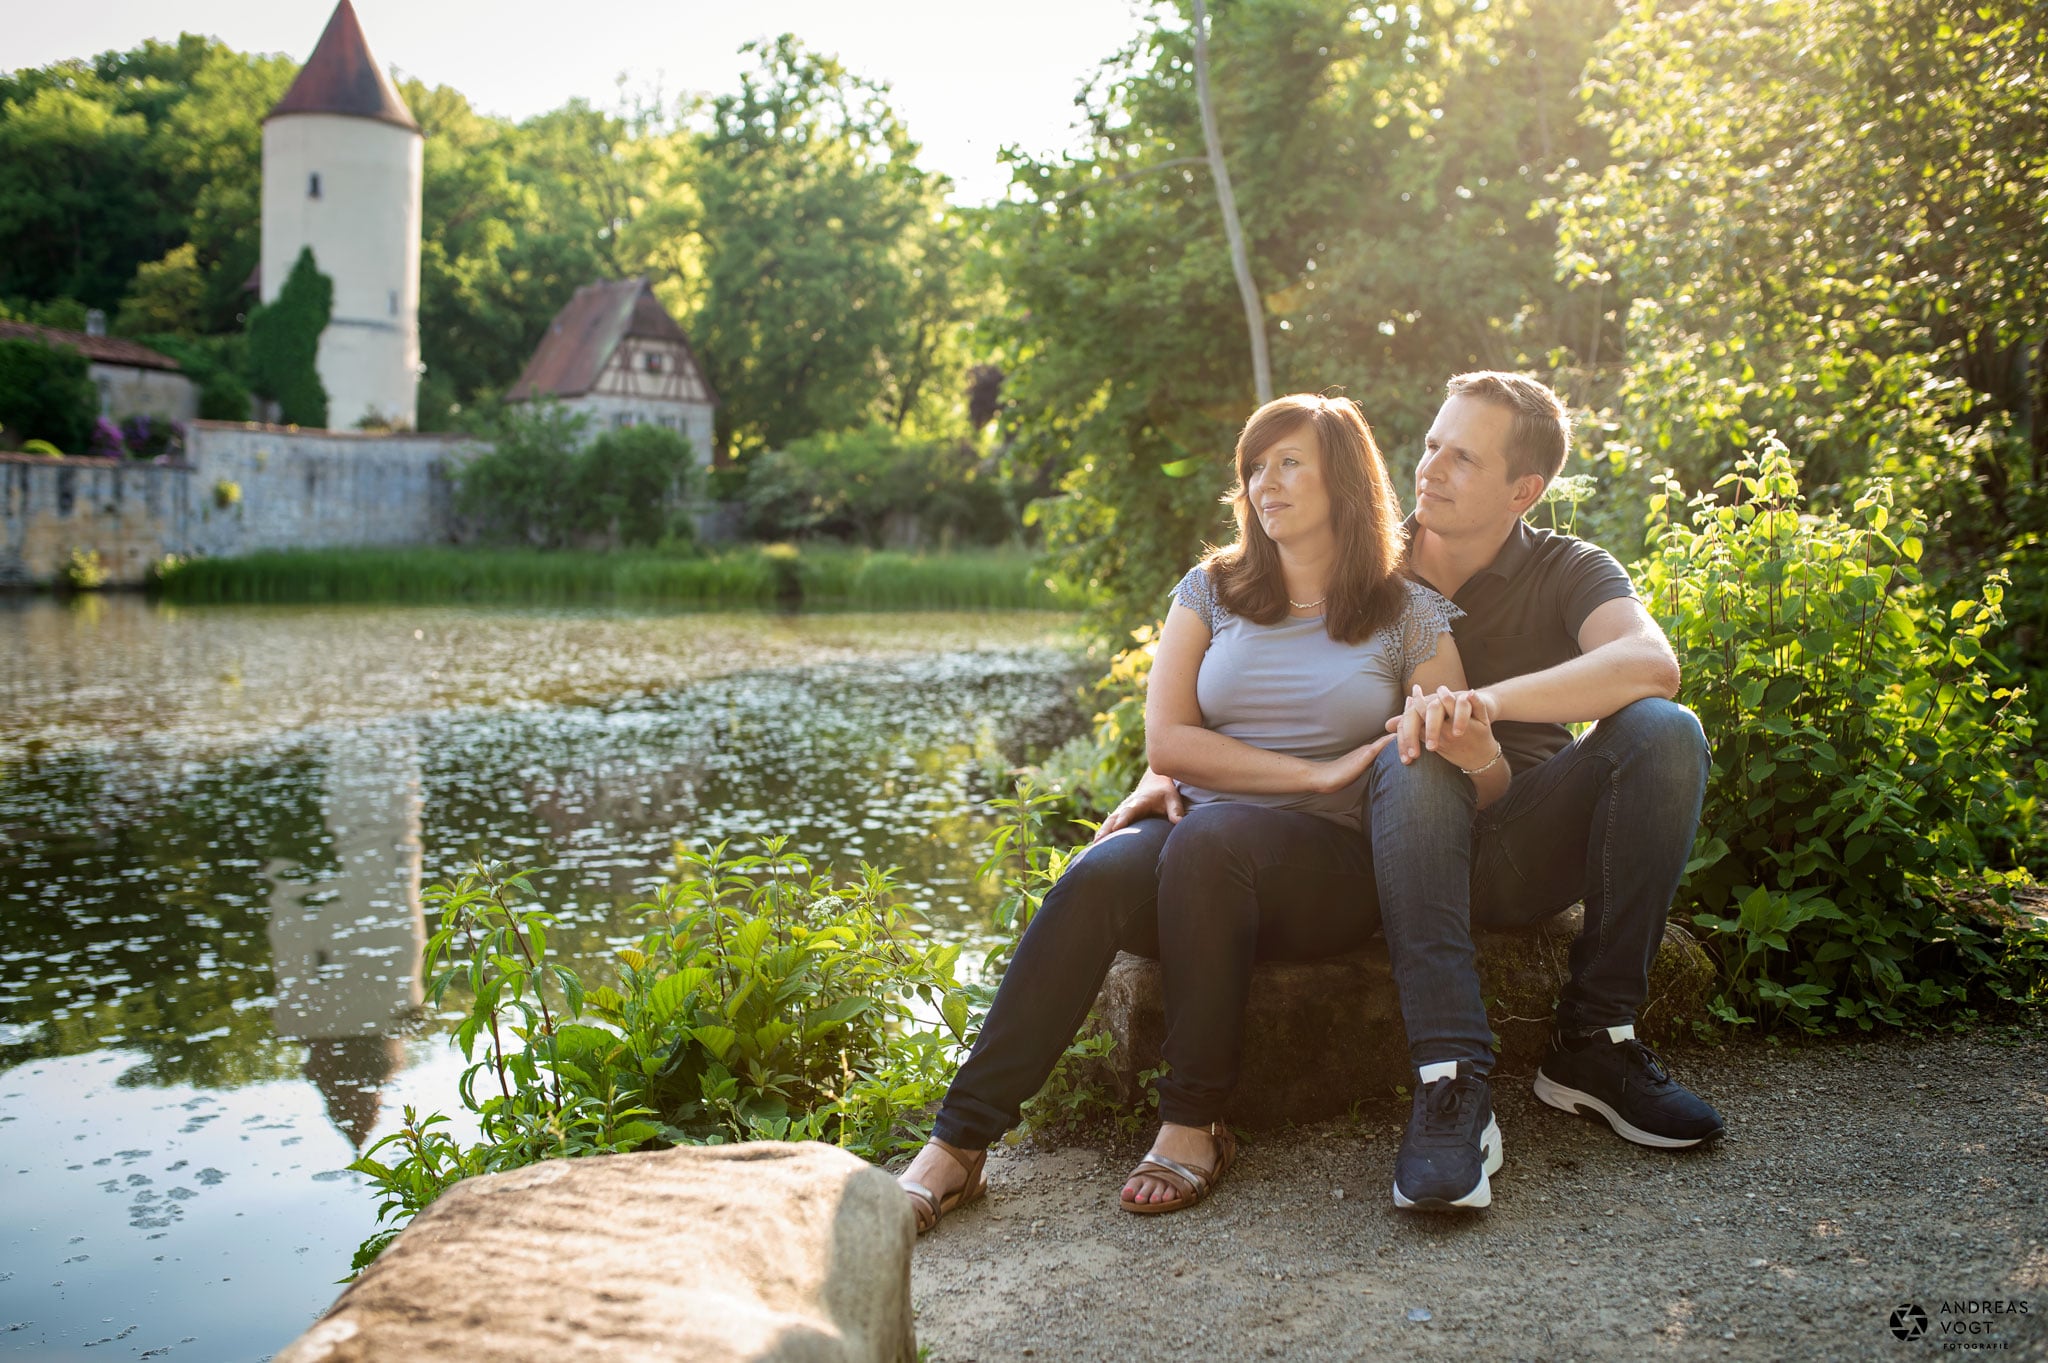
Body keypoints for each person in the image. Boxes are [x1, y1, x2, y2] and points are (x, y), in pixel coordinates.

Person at [1105, 370, 1724, 1214]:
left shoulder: (1568, 568)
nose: (1430, 467)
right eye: (1432, 444)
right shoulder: (1362, 559)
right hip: (1387, 851)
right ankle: (1452, 1079)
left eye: (1462, 457)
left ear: (1524, 489)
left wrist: (1483, 708)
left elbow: (1652, 666)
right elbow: (1251, 679)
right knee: (1414, 749)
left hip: (1517, 841)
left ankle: (1595, 1041)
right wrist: (1163, 766)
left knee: (1665, 729)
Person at [897, 393, 1499, 1231]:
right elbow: (1170, 739)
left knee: (1213, 840)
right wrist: (1315, 771)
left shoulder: (1406, 612)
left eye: (1290, 461)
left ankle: (1195, 1122)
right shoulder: (1211, 588)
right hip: (1198, 841)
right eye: (1255, 465)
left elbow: (1451, 757)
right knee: (1099, 870)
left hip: (1325, 872)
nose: (1266, 482)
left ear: (1347, 480)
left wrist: (1334, 791)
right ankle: (959, 1142)